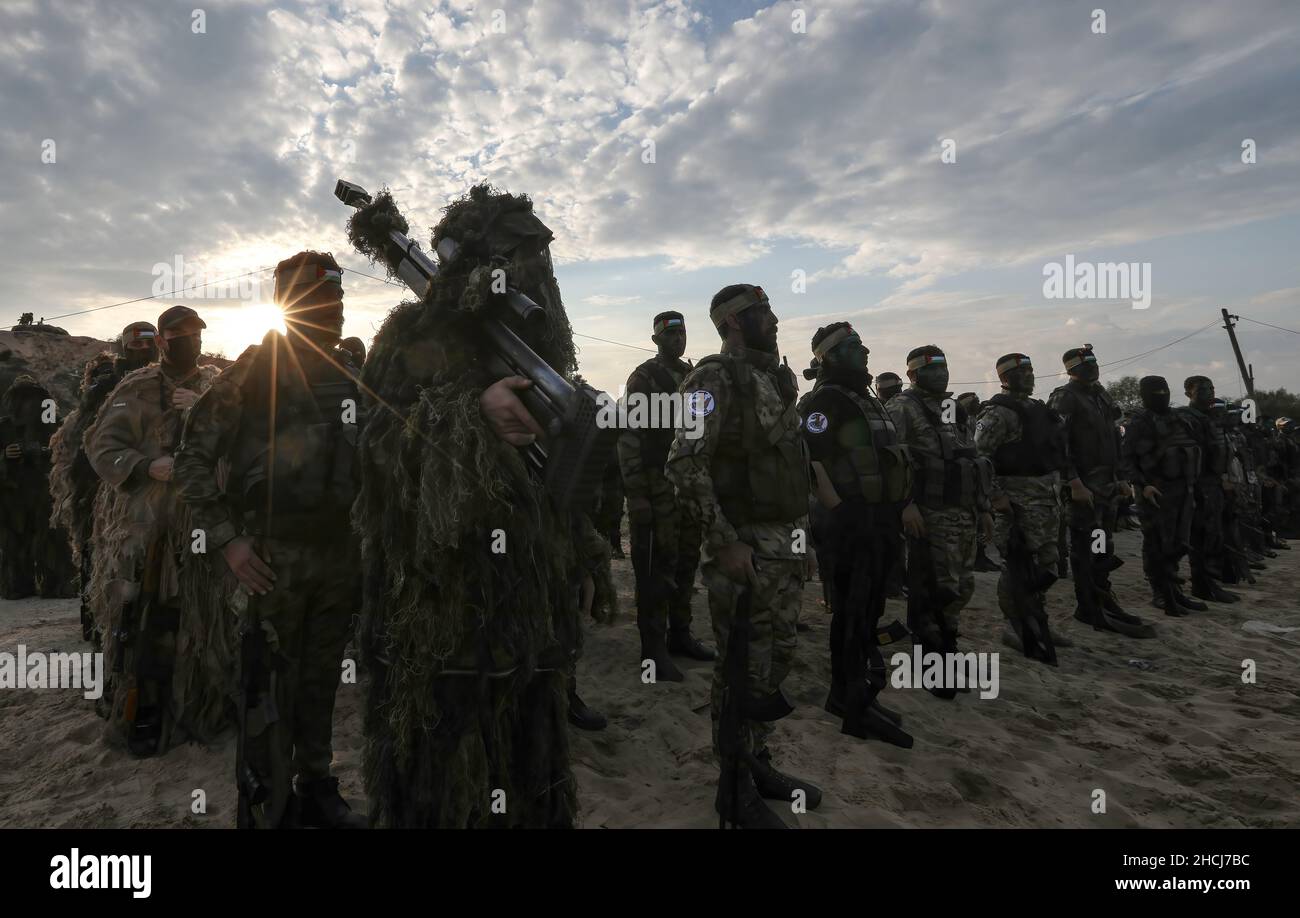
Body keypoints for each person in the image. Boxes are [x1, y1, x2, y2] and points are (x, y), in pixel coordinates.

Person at [346, 185, 603, 828]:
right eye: (521, 254)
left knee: (530, 773)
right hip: (439, 608)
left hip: (529, 605)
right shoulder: (411, 337)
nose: (537, 270)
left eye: (543, 255)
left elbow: (557, 480)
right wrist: (470, 414)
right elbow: (372, 450)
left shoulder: (539, 348)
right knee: (438, 780)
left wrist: (584, 548)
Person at [174, 257, 365, 827]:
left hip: (339, 552)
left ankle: (317, 786)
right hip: (270, 557)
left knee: (322, 676)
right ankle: (268, 805)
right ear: (289, 301)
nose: (330, 305)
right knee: (266, 686)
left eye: (336, 294)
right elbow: (192, 461)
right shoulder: (257, 369)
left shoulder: (354, 368)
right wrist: (230, 542)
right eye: (317, 296)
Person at [667, 283, 820, 829]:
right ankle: (733, 786)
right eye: (761, 312)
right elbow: (683, 464)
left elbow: (791, 470)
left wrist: (801, 543)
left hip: (783, 548)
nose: (773, 319)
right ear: (733, 322)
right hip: (745, 551)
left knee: (774, 664)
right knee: (740, 670)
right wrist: (724, 541)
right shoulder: (711, 378)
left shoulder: (773, 381)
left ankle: (759, 762)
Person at [85, 306, 222, 754]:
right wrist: (146, 465)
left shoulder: (216, 386)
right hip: (146, 527)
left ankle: (198, 709)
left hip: (203, 525)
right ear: (163, 341)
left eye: (197, 334)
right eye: (181, 335)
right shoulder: (136, 388)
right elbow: (101, 446)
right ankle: (132, 708)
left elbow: (250, 438)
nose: (192, 342)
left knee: (201, 621)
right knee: (138, 621)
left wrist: (205, 406)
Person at [799, 322, 912, 747]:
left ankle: (858, 693)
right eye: (851, 346)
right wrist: (840, 512)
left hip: (879, 520)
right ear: (828, 356)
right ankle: (846, 699)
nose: (863, 351)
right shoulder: (824, 399)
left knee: (868, 612)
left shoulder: (864, 398)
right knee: (850, 613)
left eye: (861, 343)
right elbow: (811, 459)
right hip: (849, 524)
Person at [888, 345, 993, 693]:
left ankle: (948, 652)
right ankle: (930, 665)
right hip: (929, 512)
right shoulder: (902, 407)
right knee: (933, 587)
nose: (941, 374)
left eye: (944, 367)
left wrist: (984, 508)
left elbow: (969, 457)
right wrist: (905, 505)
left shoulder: (953, 408)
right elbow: (891, 462)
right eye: (931, 369)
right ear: (913, 374)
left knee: (961, 587)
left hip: (962, 512)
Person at [618, 310, 714, 682]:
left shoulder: (691, 377)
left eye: (683, 333)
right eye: (671, 334)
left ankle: (680, 635)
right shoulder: (646, 377)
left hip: (685, 490)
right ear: (657, 339)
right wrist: (637, 496)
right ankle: (653, 651)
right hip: (656, 491)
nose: (679, 339)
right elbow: (629, 437)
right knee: (655, 570)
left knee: (685, 565)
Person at [49, 321, 159, 641]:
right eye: (134, 344)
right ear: (124, 347)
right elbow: (89, 439)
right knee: (97, 554)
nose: (142, 349)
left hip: (152, 484)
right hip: (103, 487)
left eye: (148, 342)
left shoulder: (167, 382)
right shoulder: (107, 387)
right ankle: (96, 623)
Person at [1048, 345, 1154, 638]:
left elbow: (1113, 440)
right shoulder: (1065, 397)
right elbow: (1058, 444)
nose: (1092, 369)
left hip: (1106, 485)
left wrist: (1120, 477)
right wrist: (1073, 482)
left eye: (1094, 364)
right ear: (1070, 370)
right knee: (1086, 547)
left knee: (1103, 546)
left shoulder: (1101, 395)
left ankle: (1103, 597)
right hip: (1085, 487)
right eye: (1084, 366)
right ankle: (1089, 606)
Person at [975, 354, 1074, 658]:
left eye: (1031, 369)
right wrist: (995, 497)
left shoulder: (1038, 409)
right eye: (1021, 372)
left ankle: (1036, 615)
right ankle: (1015, 624)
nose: (1029, 375)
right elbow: (980, 457)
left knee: (1047, 564)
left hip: (1047, 499)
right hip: (1016, 503)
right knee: (1017, 567)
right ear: (1004, 377)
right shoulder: (999, 413)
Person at [1, 375, 74, 598]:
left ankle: (56, 584)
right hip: (14, 493)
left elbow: (65, 449)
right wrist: (5, 456)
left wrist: (41, 451)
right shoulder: (5, 426)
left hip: (45, 489)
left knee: (50, 539)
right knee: (15, 541)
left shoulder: (52, 422)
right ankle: (18, 584)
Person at [1177, 377, 1240, 604]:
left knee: (1213, 534)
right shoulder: (1186, 417)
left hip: (1213, 482)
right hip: (1199, 484)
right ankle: (1202, 584)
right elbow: (1189, 454)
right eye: (1202, 389)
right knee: (1201, 535)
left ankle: (1209, 582)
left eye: (1211, 388)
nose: (1209, 393)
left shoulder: (1209, 418)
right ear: (1188, 393)